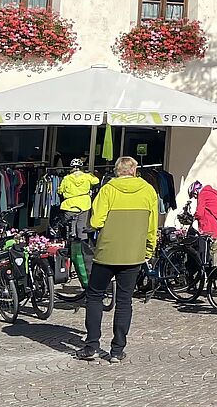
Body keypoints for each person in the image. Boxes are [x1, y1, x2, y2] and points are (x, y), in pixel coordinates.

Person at [76, 156, 160, 364]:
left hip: (107, 253)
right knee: (124, 301)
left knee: (94, 297)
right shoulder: (148, 190)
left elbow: (96, 221)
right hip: (133, 254)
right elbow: (152, 227)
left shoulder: (108, 189)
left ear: (117, 171)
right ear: (134, 170)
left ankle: (92, 346)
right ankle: (117, 350)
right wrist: (148, 250)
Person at [55, 158, 99, 289]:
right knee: (82, 229)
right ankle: (83, 252)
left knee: (69, 230)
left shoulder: (67, 178)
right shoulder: (86, 176)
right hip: (84, 204)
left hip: (69, 205)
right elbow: (96, 181)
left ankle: (69, 251)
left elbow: (60, 190)